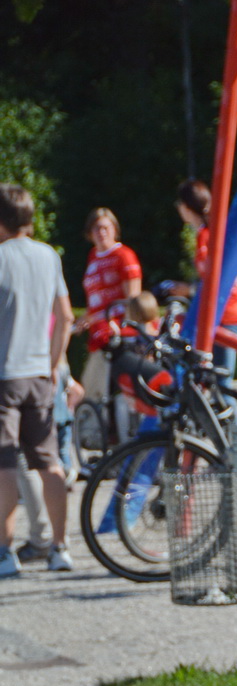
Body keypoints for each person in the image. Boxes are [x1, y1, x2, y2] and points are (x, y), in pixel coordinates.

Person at [0, 182, 74, 577]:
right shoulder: (48, 256)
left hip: (4, 373)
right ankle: (60, 547)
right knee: (50, 463)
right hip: (40, 374)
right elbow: (65, 316)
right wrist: (56, 360)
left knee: (5, 464)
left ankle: (4, 552)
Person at [169, 178, 237, 378]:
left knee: (220, 384)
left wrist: (189, 289)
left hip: (227, 315)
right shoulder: (208, 233)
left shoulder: (207, 236)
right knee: (212, 381)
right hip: (226, 313)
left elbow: (218, 281)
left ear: (187, 207)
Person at [77, 207, 141, 404]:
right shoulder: (93, 256)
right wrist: (87, 318)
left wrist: (125, 328)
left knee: (95, 393)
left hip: (119, 336)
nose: (101, 232)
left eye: (106, 227)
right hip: (98, 335)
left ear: (115, 229)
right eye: (96, 228)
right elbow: (97, 300)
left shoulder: (124, 256)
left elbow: (133, 300)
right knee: (93, 394)